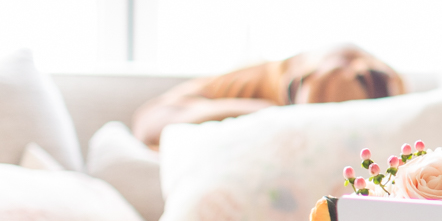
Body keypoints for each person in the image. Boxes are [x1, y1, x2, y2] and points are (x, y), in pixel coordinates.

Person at [132, 44, 405, 148]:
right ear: (293, 89)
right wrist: (275, 115)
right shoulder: (284, 82)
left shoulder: (387, 85)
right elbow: (149, 126)